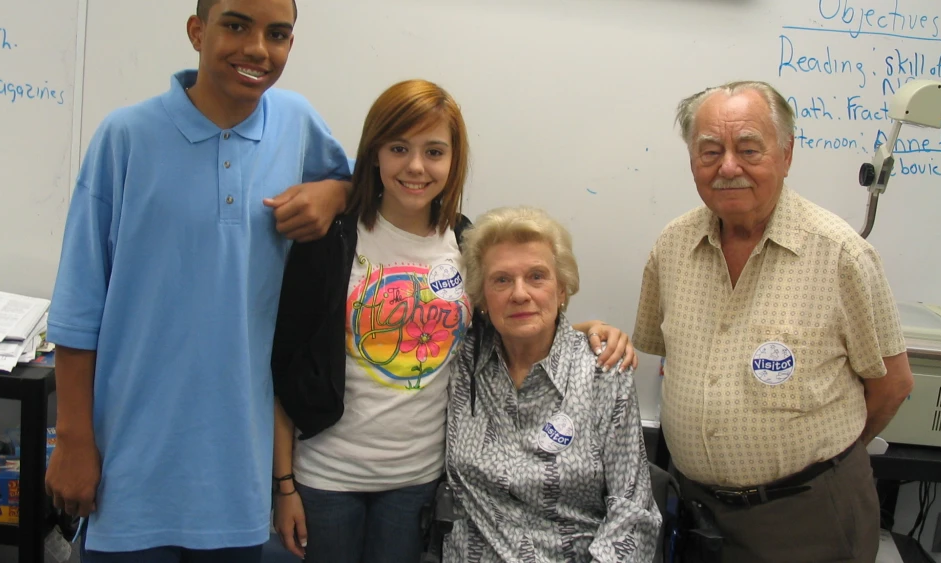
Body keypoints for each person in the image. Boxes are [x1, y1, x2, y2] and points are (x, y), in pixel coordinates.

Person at [270, 82, 637, 562]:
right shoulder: (333, 236)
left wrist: (586, 331)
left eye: (434, 151)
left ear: (453, 159)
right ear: (374, 152)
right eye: (399, 148)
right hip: (325, 478)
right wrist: (284, 484)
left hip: (417, 482)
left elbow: (511, 321)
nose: (416, 166)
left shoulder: (465, 244)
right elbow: (285, 362)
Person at [44, 0, 352, 559]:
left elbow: (358, 190)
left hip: (238, 476)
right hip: (129, 466)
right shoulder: (126, 137)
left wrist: (335, 192)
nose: (258, 48)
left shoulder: (297, 123)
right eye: (236, 25)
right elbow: (78, 305)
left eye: (278, 34)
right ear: (196, 31)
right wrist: (73, 439)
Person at [632, 80, 914, 563]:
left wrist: (826, 465)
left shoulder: (841, 254)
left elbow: (892, 385)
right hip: (694, 511)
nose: (728, 167)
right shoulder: (672, 246)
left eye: (748, 149)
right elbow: (666, 359)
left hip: (805, 520)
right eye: (709, 151)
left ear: (786, 155)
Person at [441, 206, 662, 562]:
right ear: (482, 299)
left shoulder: (603, 373)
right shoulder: (459, 363)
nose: (519, 294)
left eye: (536, 277)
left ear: (562, 290)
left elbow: (633, 513)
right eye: (501, 280)